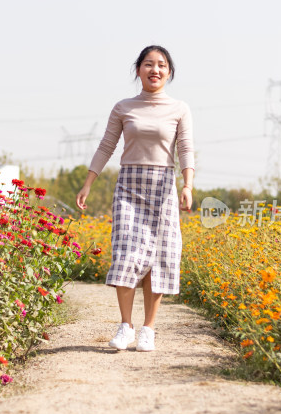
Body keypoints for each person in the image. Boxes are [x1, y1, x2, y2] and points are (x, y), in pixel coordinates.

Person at [76, 45, 194, 352]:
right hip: (129, 186)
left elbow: (186, 148)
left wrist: (187, 184)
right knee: (127, 253)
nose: (155, 70)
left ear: (169, 72)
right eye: (148, 64)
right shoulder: (123, 107)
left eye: (162, 65)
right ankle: (125, 326)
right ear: (138, 69)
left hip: (163, 186)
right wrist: (88, 182)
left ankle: (148, 329)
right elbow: (106, 146)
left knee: (159, 256)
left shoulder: (179, 108)